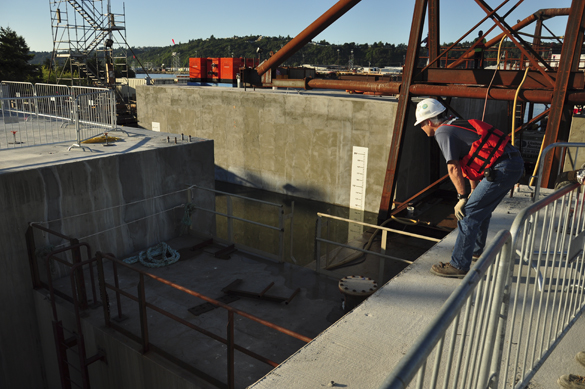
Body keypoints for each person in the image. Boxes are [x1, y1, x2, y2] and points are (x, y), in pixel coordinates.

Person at [414, 98, 524, 278]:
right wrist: (473, 191)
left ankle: (459, 265)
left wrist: (461, 197)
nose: (421, 128)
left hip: (502, 168)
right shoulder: (457, 125)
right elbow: (473, 165)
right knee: (480, 208)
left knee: (468, 212)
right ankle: (475, 250)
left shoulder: (442, 133)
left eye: (421, 124)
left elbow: (453, 167)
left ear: (428, 121)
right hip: (511, 163)